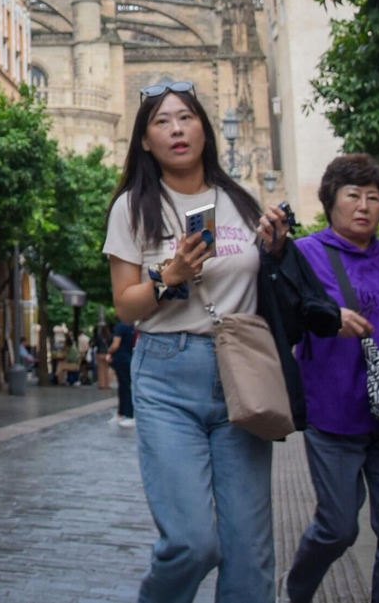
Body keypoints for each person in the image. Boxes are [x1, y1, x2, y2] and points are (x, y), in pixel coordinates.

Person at [105, 80, 340, 603]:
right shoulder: (132, 208)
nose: (176, 129)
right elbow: (125, 305)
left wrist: (276, 248)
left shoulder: (238, 199)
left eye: (186, 117)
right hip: (167, 372)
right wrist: (172, 276)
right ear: (145, 140)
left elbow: (264, 282)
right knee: (192, 542)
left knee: (250, 552)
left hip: (242, 367)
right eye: (162, 122)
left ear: (205, 130)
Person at [284, 154, 379, 603]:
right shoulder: (305, 253)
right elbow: (286, 315)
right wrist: (325, 317)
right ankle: (297, 590)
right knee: (339, 527)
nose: (363, 206)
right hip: (333, 411)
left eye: (373, 197)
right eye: (353, 195)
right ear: (331, 200)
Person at [107, 319, 136, 429]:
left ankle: (127, 414)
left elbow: (115, 344)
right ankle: (122, 413)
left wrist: (109, 352)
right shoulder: (133, 326)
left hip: (121, 359)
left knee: (124, 387)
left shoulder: (120, 327)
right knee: (126, 386)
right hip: (129, 358)